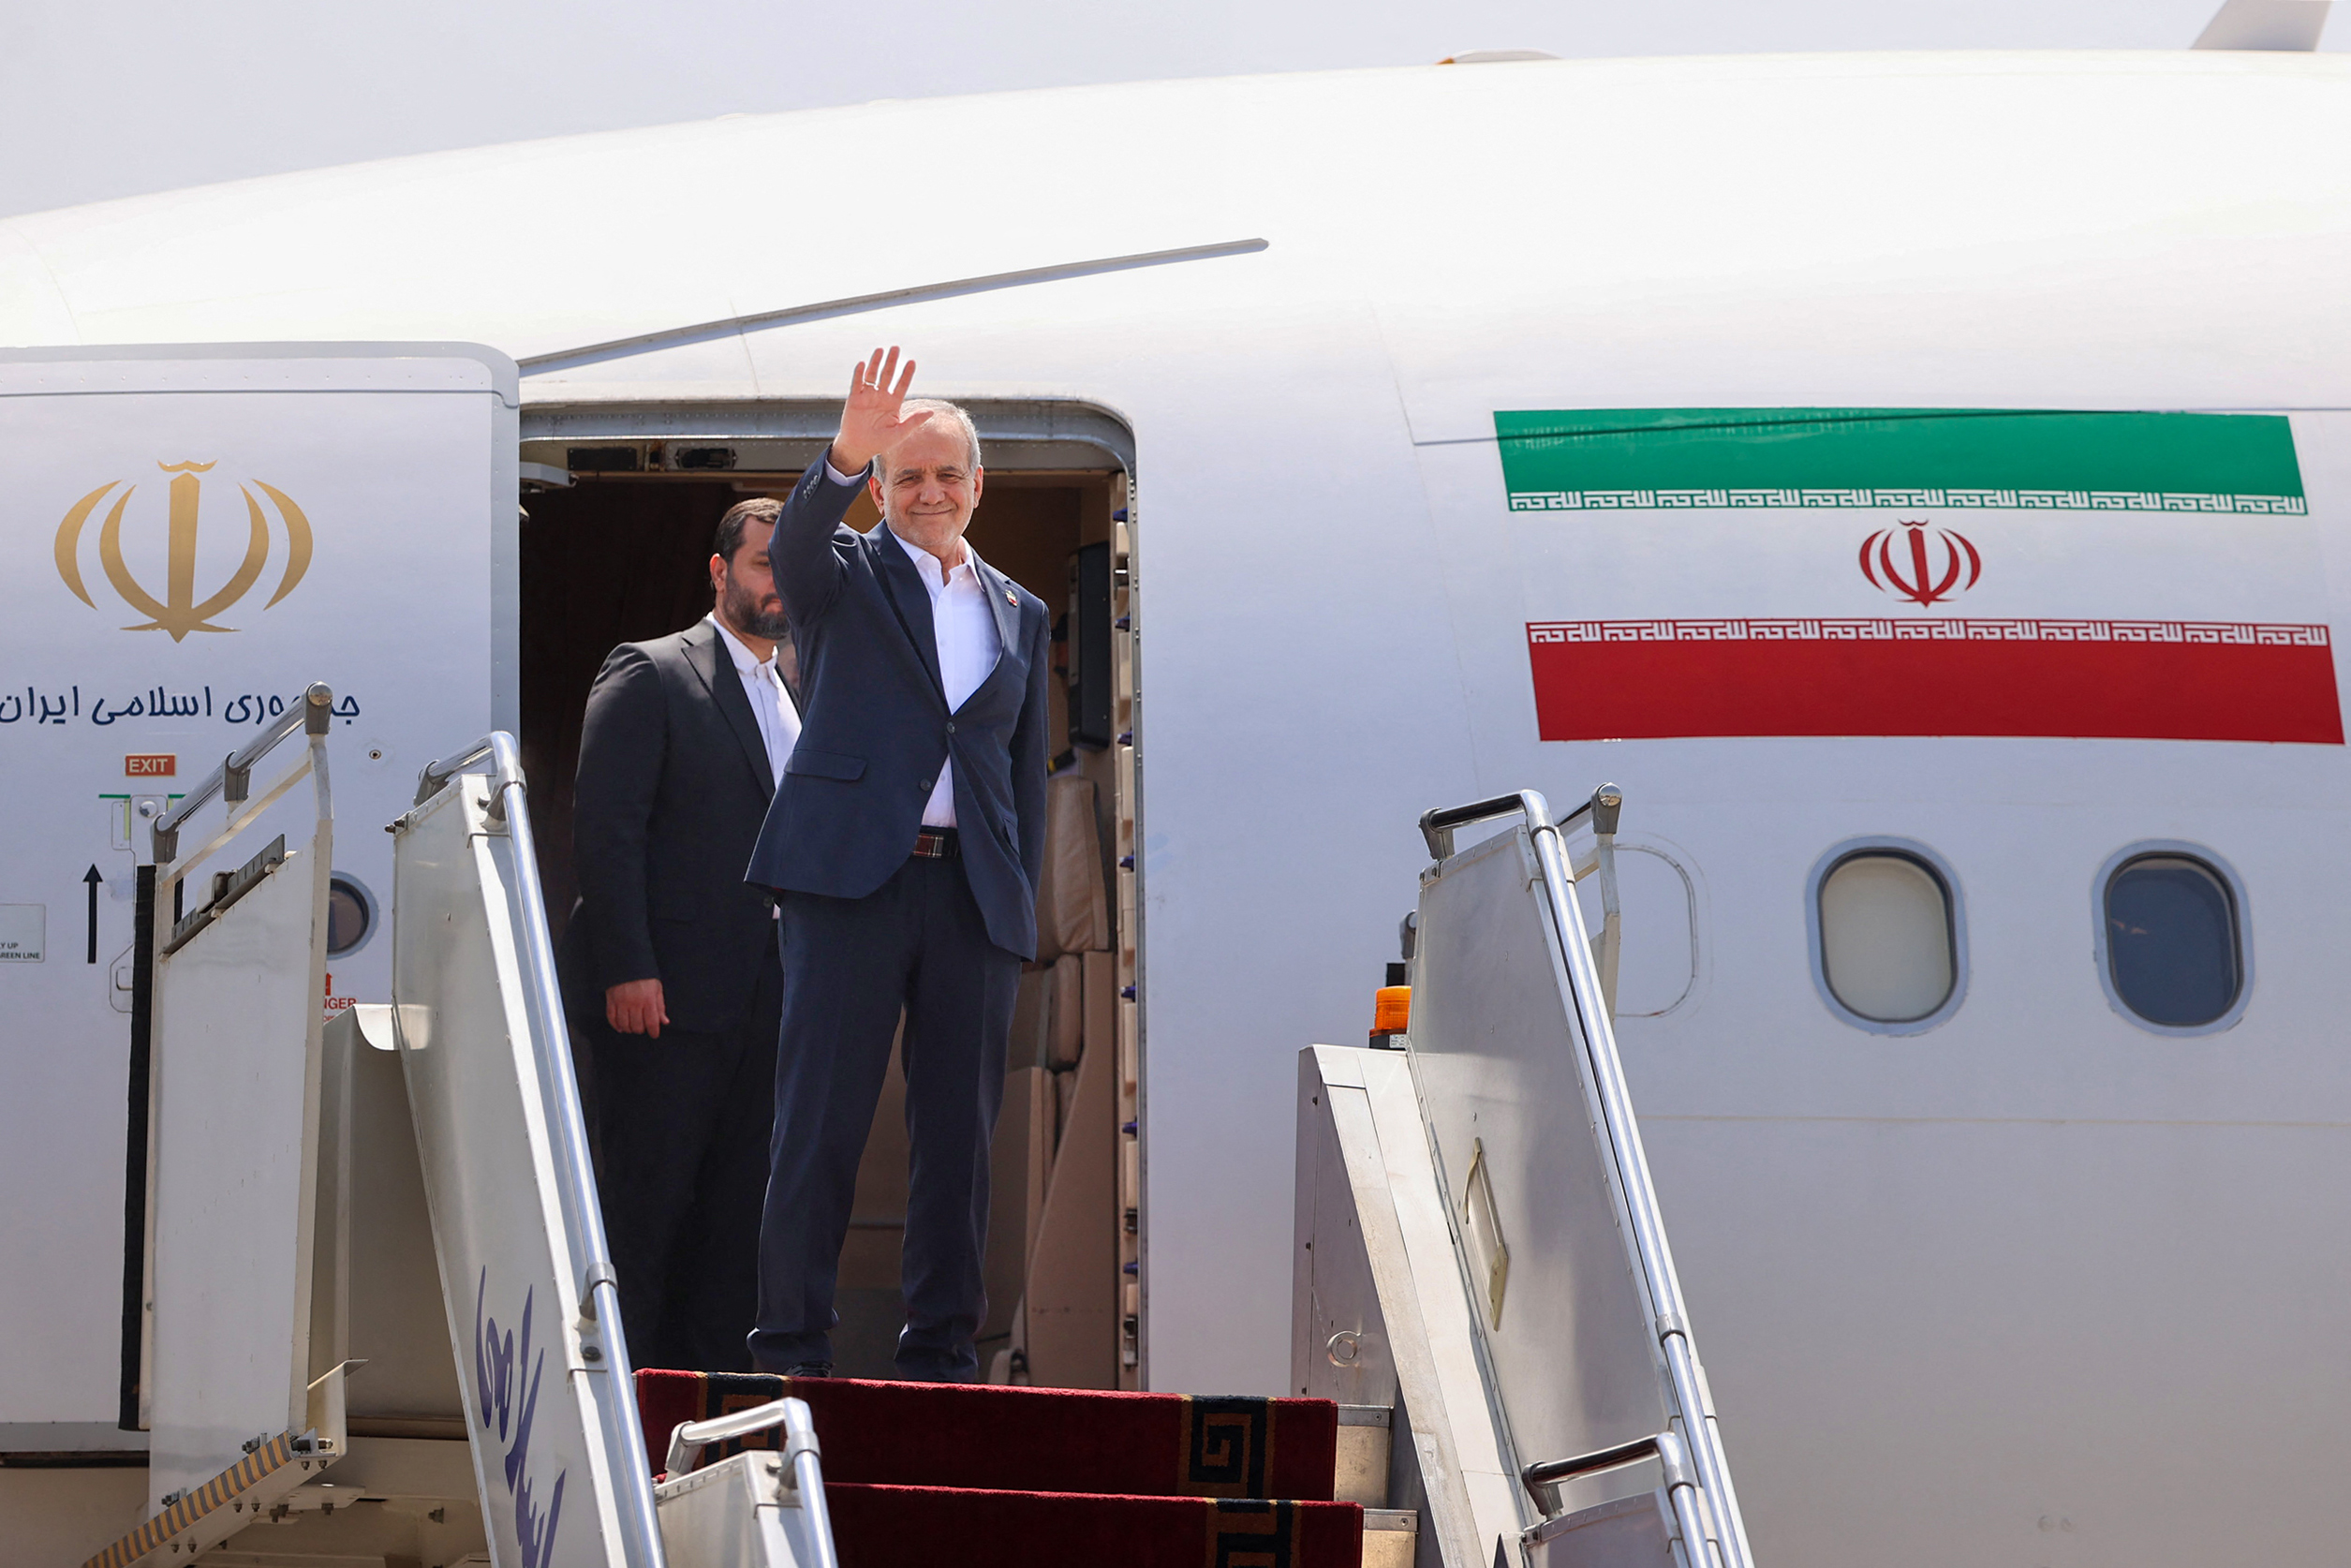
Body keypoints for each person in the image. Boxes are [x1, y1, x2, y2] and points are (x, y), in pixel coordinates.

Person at [745, 348, 1051, 1381]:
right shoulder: (843, 577)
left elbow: (1019, 778)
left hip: (969, 896)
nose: (928, 492)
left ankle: (939, 1352)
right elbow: (790, 549)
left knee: (959, 1142)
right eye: (905, 475)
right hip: (849, 888)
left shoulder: (1021, 611)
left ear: (977, 486)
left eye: (945, 474)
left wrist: (1017, 900)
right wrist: (839, 453)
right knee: (819, 1122)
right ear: (880, 487)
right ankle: (792, 1345)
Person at [561, 497, 803, 1372]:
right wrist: (630, 968)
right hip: (662, 1006)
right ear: (720, 571)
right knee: (643, 1221)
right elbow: (606, 830)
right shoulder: (653, 671)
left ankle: (709, 1431)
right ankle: (619, 1421)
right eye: (766, 562)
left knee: (737, 1230)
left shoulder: (798, 693)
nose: (780, 583)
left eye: (794, 565)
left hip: (769, 1008)